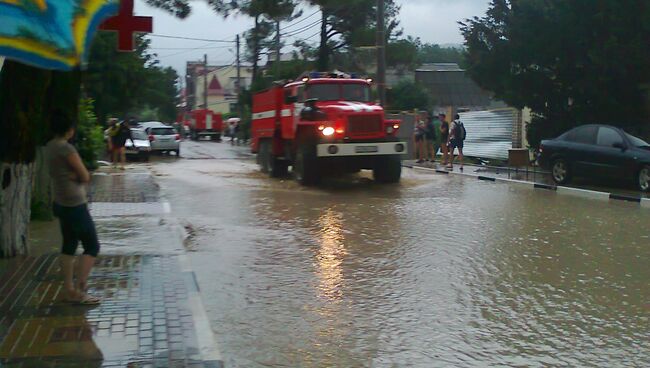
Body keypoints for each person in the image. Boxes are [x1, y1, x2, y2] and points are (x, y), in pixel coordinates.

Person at [45, 110, 101, 305]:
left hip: (60, 202)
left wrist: (72, 176)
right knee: (92, 245)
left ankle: (69, 289)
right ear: (69, 130)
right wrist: (78, 176)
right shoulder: (67, 149)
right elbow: (85, 176)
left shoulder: (49, 147)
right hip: (75, 203)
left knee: (68, 245)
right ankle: (80, 290)